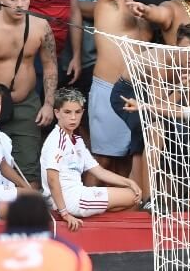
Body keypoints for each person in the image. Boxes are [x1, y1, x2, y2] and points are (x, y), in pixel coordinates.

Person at [40, 89, 142, 231]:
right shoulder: (57, 140)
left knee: (132, 192)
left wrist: (128, 181)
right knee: (132, 196)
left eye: (77, 112)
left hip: (78, 195)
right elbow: (52, 179)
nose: (73, 118)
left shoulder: (76, 140)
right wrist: (64, 213)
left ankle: (101, 223)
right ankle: (114, 231)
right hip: (70, 201)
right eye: (67, 112)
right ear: (57, 113)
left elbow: (99, 171)